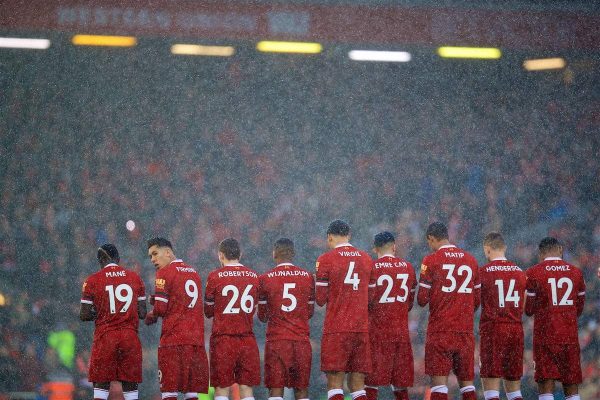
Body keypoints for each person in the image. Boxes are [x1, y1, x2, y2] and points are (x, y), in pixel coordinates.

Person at [417, 222, 480, 400]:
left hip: (440, 330)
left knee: (439, 386)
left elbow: (422, 300)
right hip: (465, 331)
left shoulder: (430, 261)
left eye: (429, 242)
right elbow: (477, 301)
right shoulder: (471, 260)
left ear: (431, 238)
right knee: (467, 386)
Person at [144, 237, 209, 400]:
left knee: (169, 391)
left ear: (167, 252)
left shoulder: (164, 273)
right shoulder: (193, 272)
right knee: (191, 392)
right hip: (195, 342)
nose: (152, 259)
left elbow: (160, 309)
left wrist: (152, 314)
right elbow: (182, 301)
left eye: (155, 254)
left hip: (173, 341)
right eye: (150, 256)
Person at [315, 219, 374, 400]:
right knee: (358, 385)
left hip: (337, 329)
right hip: (360, 329)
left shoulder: (325, 259)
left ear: (329, 237)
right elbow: (371, 298)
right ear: (349, 235)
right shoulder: (366, 259)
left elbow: (320, 299)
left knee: (335, 383)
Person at [80, 244, 146, 400]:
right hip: (129, 337)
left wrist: (102, 312)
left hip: (106, 336)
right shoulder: (134, 277)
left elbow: (84, 314)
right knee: (130, 385)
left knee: (101, 384)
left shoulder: (92, 280)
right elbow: (142, 313)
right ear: (118, 259)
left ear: (102, 259)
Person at [525, 237, 586, 400]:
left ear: (541, 254)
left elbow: (528, 310)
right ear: (560, 250)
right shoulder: (576, 272)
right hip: (569, 337)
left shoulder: (533, 273)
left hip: (545, 337)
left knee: (545, 386)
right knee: (571, 386)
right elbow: (578, 309)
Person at [258, 238, 315, 400]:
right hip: (300, 341)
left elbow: (262, 316)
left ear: (274, 254)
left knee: (276, 391)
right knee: (301, 390)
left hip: (277, 342)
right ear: (293, 254)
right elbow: (309, 313)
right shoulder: (307, 277)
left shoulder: (265, 278)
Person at [204, 238, 260, 400]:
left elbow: (208, 311)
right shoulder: (254, 276)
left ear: (221, 255)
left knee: (222, 389)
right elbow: (255, 310)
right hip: (247, 339)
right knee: (246, 389)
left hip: (223, 339)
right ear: (240, 254)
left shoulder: (215, 277)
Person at [365, 232, 416, 400]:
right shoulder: (408, 267)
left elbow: (367, 301)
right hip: (400, 333)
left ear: (375, 248)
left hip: (377, 332)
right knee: (400, 383)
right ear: (394, 246)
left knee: (371, 382)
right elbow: (409, 304)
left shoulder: (370, 268)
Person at [479, 232, 526, 400]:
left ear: (486, 249)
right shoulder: (520, 272)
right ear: (504, 248)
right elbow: (525, 304)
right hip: (515, 329)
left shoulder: (483, 272)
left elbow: (475, 301)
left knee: (491, 389)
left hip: (494, 329)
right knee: (514, 390)